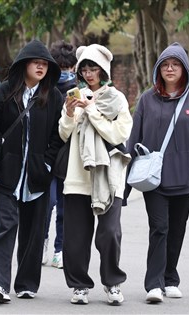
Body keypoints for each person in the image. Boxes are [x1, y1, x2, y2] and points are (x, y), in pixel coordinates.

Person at [124, 42, 189, 303]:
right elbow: (133, 139)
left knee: (177, 229)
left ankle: (170, 278)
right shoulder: (147, 99)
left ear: (184, 70)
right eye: (165, 64)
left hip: (185, 178)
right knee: (159, 227)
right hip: (153, 180)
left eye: (175, 64)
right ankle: (153, 284)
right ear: (159, 69)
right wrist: (123, 185)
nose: (170, 69)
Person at [0, 39, 64, 304]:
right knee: (4, 226)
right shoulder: (4, 93)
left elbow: (58, 137)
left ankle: (26, 283)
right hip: (6, 174)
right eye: (36, 62)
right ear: (23, 64)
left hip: (37, 175)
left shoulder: (54, 97)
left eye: (45, 64)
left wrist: (48, 163)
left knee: (34, 231)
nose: (41, 67)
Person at [58, 44, 133, 305]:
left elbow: (118, 134)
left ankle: (112, 283)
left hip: (109, 176)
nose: (89, 74)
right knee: (76, 237)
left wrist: (91, 110)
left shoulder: (116, 98)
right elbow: (64, 134)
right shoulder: (74, 96)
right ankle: (79, 285)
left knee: (110, 233)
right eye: (85, 70)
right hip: (78, 175)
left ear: (104, 71)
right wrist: (69, 112)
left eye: (94, 69)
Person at [41, 40, 77, 269]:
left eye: (68, 68)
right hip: (48, 156)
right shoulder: (46, 89)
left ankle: (60, 249)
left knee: (66, 208)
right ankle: (42, 243)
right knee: (48, 203)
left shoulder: (80, 91)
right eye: (61, 67)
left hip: (72, 158)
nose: (65, 72)